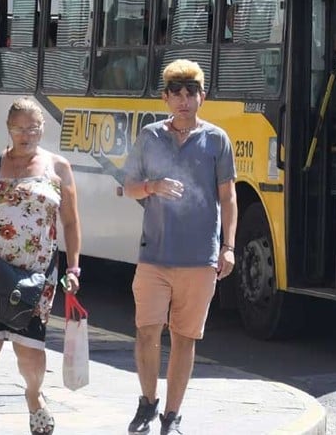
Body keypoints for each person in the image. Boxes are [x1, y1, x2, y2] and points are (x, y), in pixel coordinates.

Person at [123, 59, 237, 435]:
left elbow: (228, 197)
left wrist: (229, 246)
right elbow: (129, 187)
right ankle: (148, 402)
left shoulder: (217, 139)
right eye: (177, 93)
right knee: (147, 332)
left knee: (184, 338)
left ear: (203, 97)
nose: (184, 100)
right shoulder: (150, 136)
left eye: (191, 92)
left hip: (200, 258)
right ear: (165, 98)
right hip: (154, 255)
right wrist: (152, 187)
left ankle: (171, 416)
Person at [0, 96, 81, 435]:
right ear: (8, 129)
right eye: (19, 128)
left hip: (35, 276)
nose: (26, 135)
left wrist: (73, 269)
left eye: (33, 128)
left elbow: (71, 223)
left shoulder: (58, 167)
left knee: (28, 351)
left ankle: (34, 396)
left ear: (43, 128)